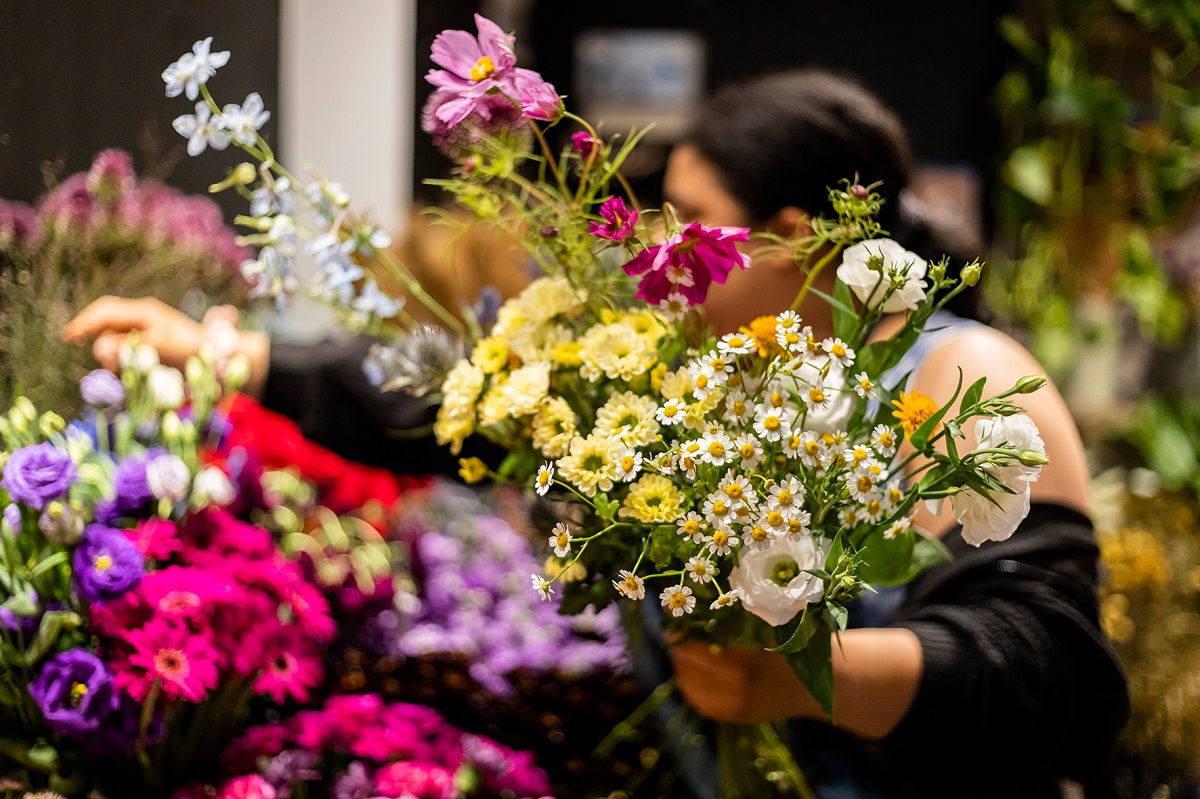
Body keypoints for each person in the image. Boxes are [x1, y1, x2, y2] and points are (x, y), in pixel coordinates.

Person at [64, 68, 1127, 799]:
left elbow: (1059, 681)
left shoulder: (963, 377)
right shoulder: (707, 379)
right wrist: (231, 358)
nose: (658, 245)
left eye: (685, 213)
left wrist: (810, 670)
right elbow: (462, 409)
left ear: (793, 240)